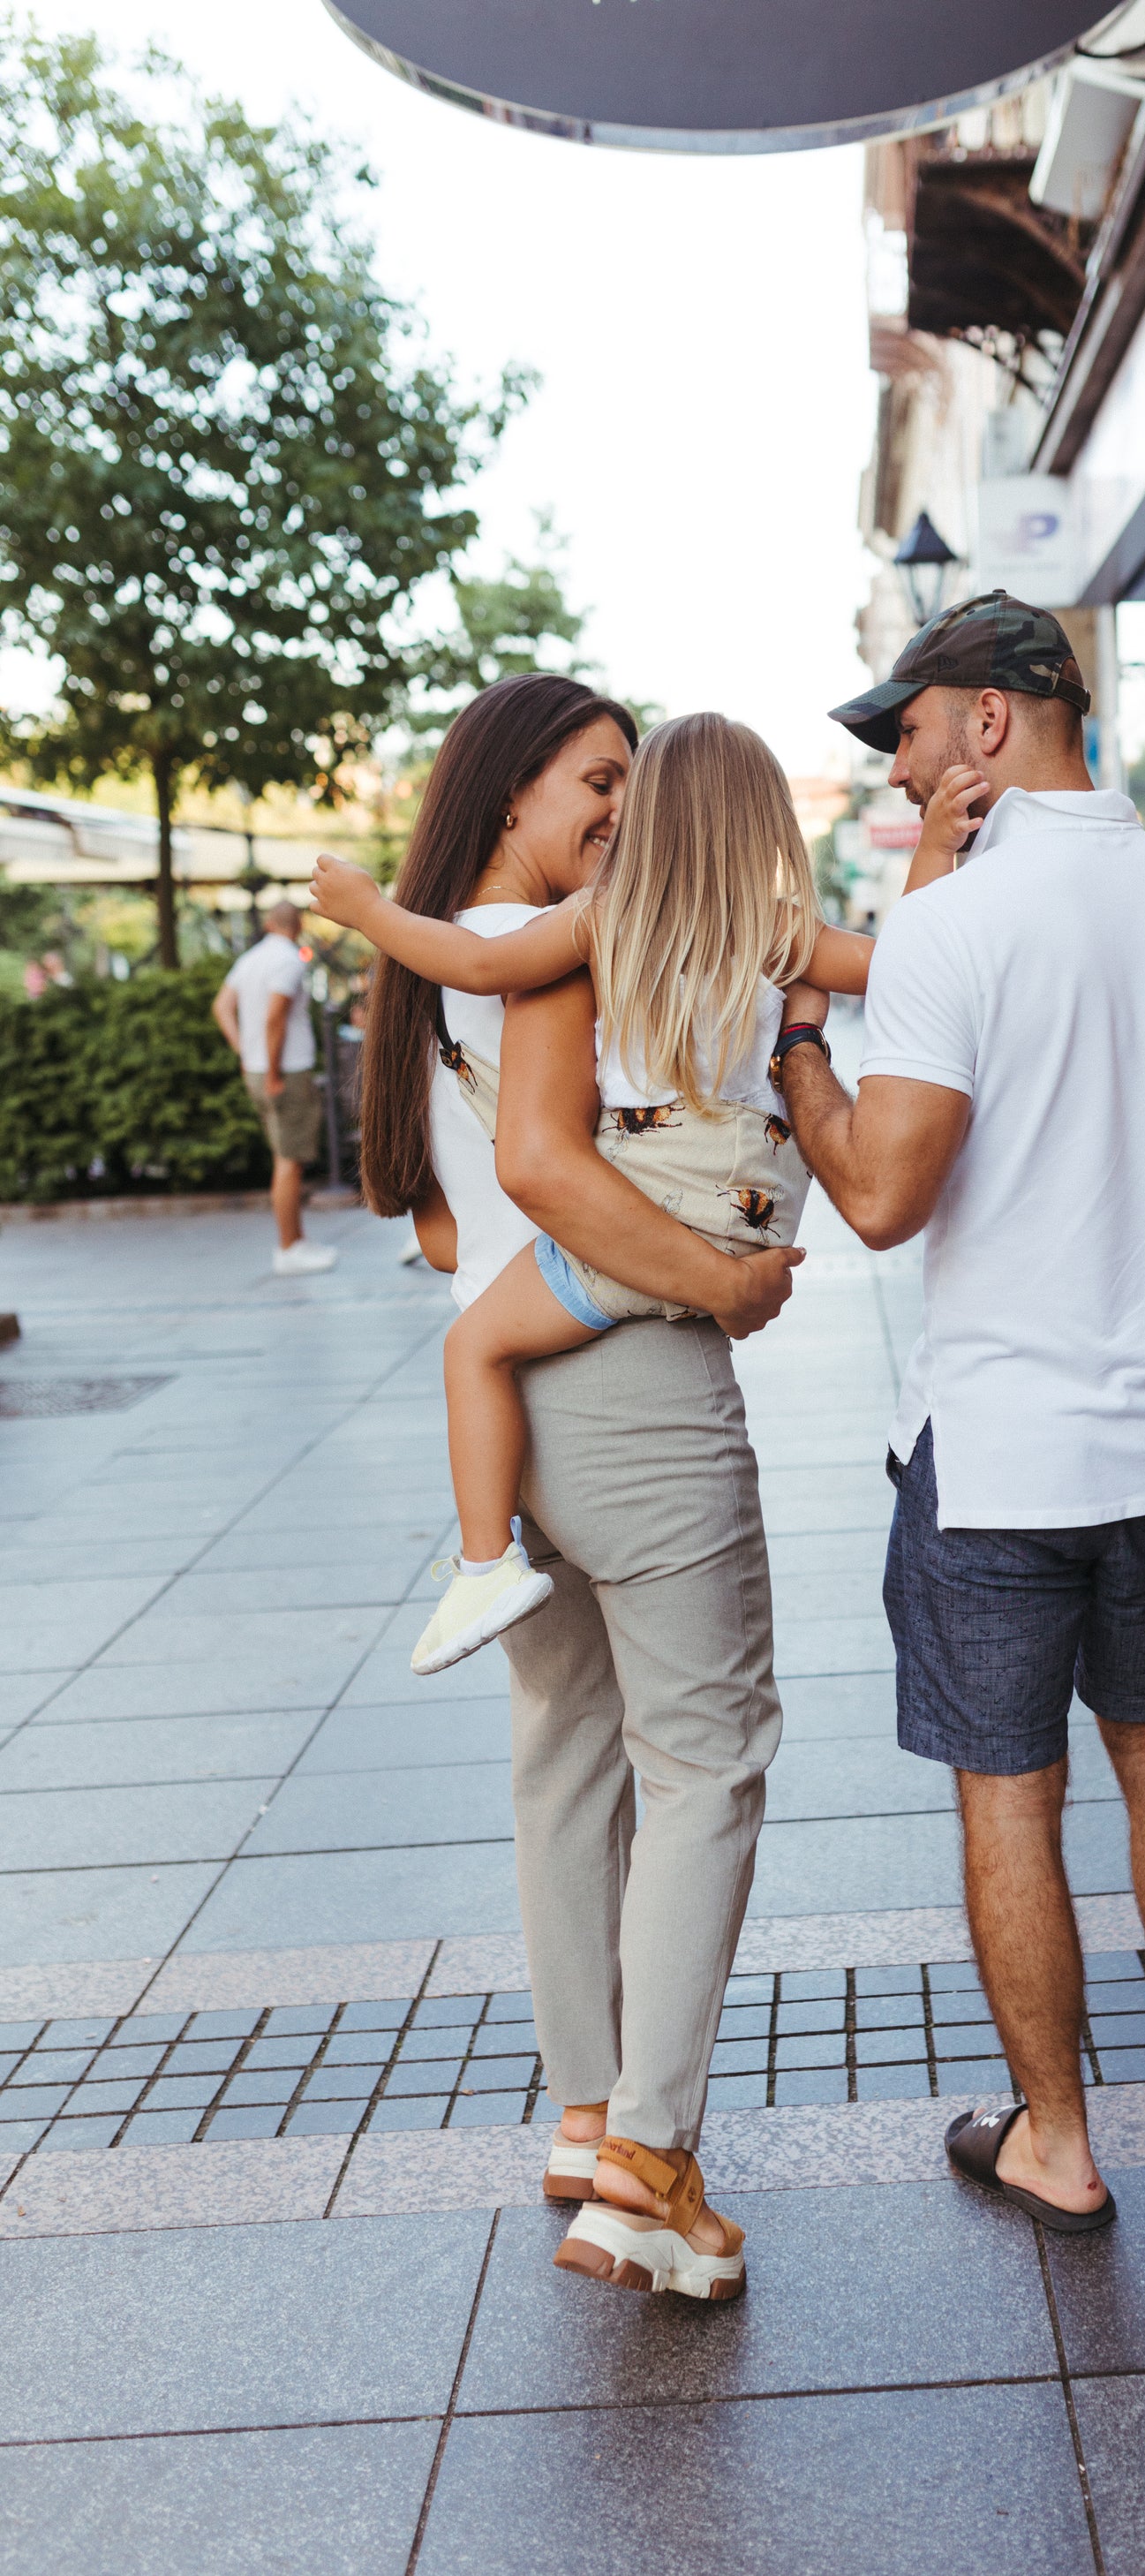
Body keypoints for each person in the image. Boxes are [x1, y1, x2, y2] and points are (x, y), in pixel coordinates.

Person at [776, 590, 1145, 2230]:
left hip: (998, 1450)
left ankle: (1056, 2141)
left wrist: (800, 1046)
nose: (900, 763)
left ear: (991, 718)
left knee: (1010, 1784)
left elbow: (877, 1194)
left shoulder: (950, 926)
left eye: (910, 729)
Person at [355, 672, 804, 2303]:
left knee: (566, 1758)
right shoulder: (562, 940)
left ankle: (590, 2110)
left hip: (514, 1399)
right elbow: (556, 1167)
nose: (621, 810)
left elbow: (442, 1216)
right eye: (598, 778)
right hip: (629, 1380)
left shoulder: (423, 980)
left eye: (633, 783)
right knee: (708, 1755)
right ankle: (646, 2166)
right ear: (511, 786)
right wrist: (714, 1272)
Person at [312, 718, 976, 1679]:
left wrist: (369, 910)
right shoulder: (769, 926)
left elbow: (480, 965)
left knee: (474, 1345)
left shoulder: (598, 921)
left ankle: (482, 1560)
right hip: (752, 1213)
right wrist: (931, 854)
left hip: (654, 1208)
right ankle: (485, 1553)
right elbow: (900, 966)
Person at [213, 900, 338, 1277]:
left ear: (268, 923)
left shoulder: (250, 959)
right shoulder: (288, 960)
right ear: (297, 923)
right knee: (289, 1161)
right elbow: (275, 1018)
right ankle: (288, 1248)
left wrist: (243, 1051)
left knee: (285, 1157)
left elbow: (222, 1007)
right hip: (285, 1071)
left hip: (260, 1068)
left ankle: (296, 1240)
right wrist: (272, 1072)